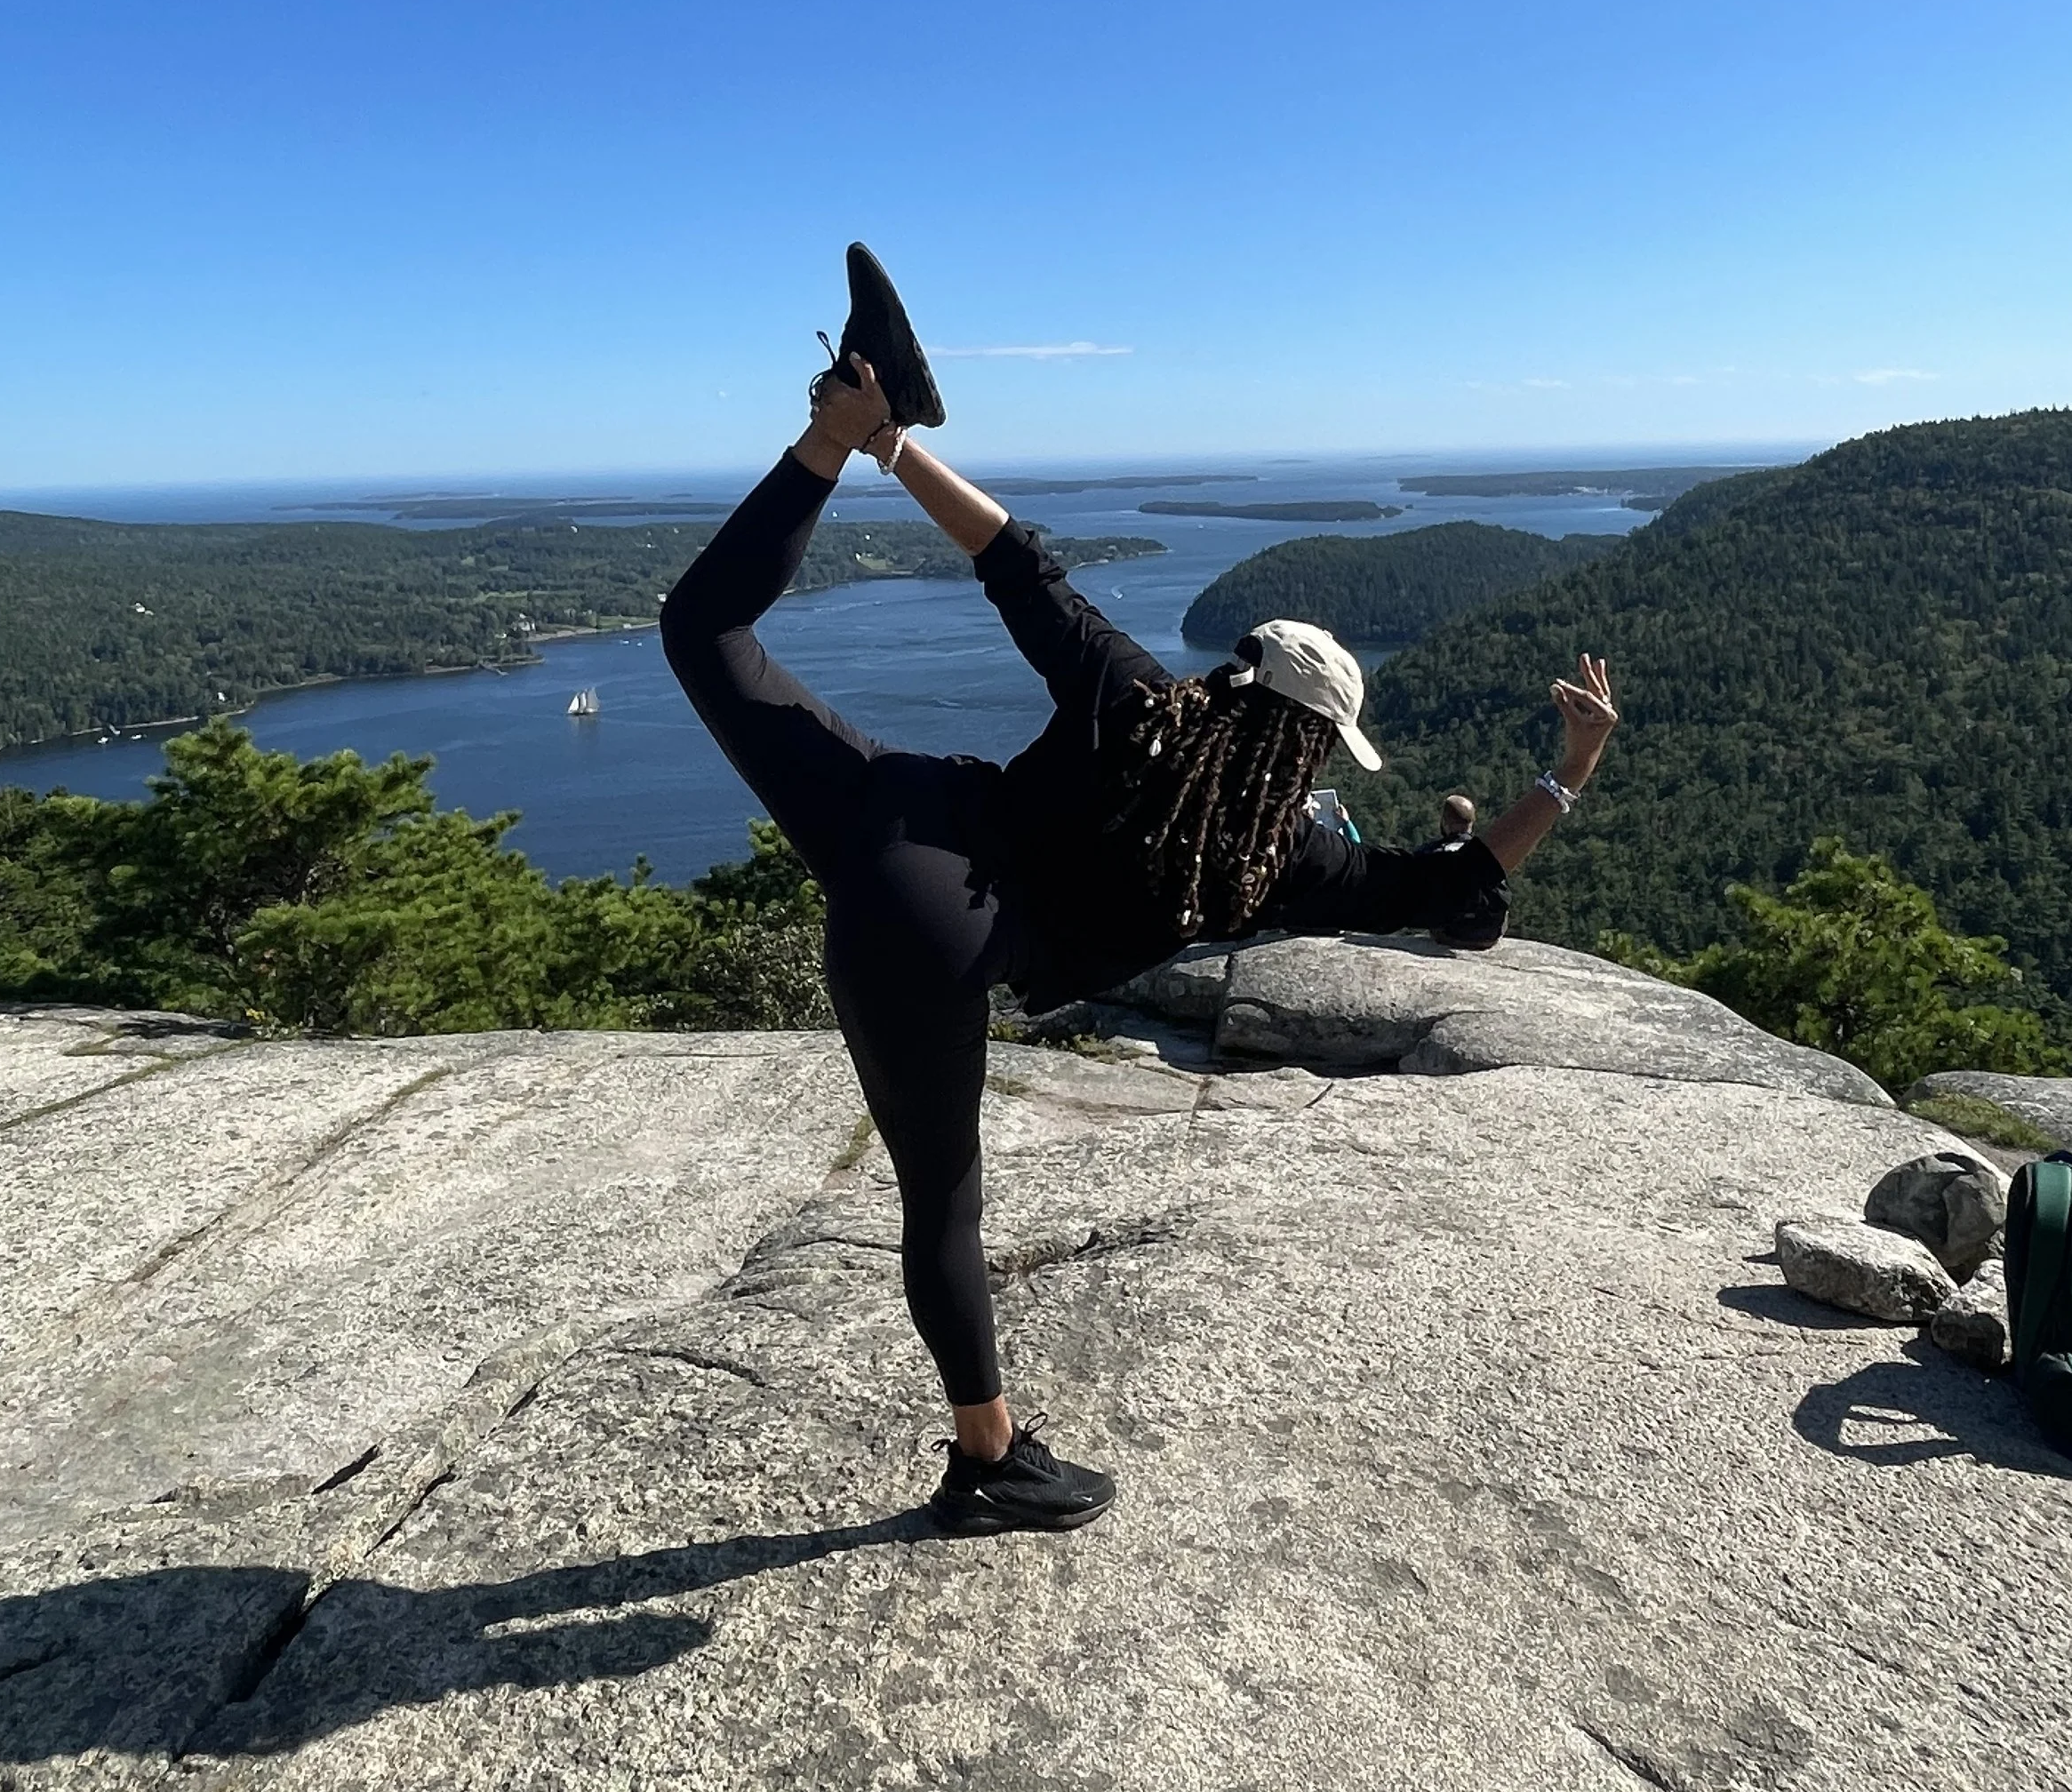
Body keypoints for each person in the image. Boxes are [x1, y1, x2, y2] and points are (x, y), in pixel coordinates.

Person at [661, 251, 1620, 1537]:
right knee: (940, 1202)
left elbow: (1015, 561)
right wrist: (1569, 775)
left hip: (887, 806)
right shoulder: (1277, 861)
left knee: (703, 632)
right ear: (1319, 746)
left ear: (1237, 677)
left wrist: (886, 445)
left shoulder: (1142, 705)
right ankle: (988, 1460)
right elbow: (1445, 883)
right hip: (932, 938)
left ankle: (835, 422)